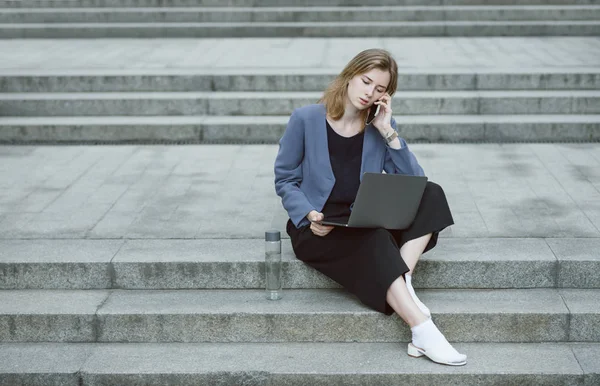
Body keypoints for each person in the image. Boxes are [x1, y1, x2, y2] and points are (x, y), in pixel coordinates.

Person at [273, 48, 466, 366]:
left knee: (431, 193)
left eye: (380, 89)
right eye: (366, 82)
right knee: (376, 239)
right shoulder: (305, 119)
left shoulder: (377, 125)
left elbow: (413, 182)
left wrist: (389, 132)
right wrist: (307, 214)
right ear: (349, 75)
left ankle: (401, 281)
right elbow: (285, 180)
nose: (369, 92)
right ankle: (422, 330)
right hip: (320, 227)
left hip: (362, 217)